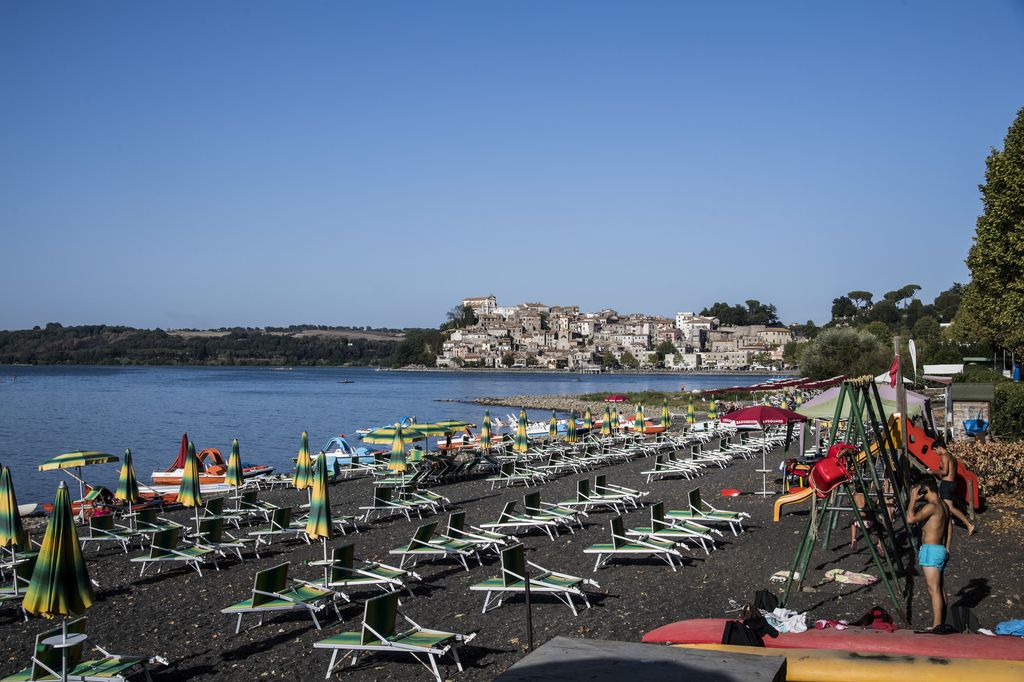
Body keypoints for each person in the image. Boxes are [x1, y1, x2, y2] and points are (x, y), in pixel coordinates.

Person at [907, 477, 950, 631]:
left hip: (931, 550)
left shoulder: (931, 506)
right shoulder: (943, 504)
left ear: (925, 489)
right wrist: (947, 547)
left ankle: (937, 626)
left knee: (934, 589)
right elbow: (949, 526)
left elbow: (910, 519)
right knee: (940, 588)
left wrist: (912, 499)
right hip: (939, 549)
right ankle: (941, 623)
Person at [930, 440, 976, 542]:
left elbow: (945, 472)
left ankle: (968, 524)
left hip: (947, 484)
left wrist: (932, 471)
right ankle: (946, 525)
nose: (935, 452)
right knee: (946, 506)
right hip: (952, 483)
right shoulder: (952, 457)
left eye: (935, 450)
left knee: (950, 507)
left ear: (939, 447)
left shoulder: (945, 456)